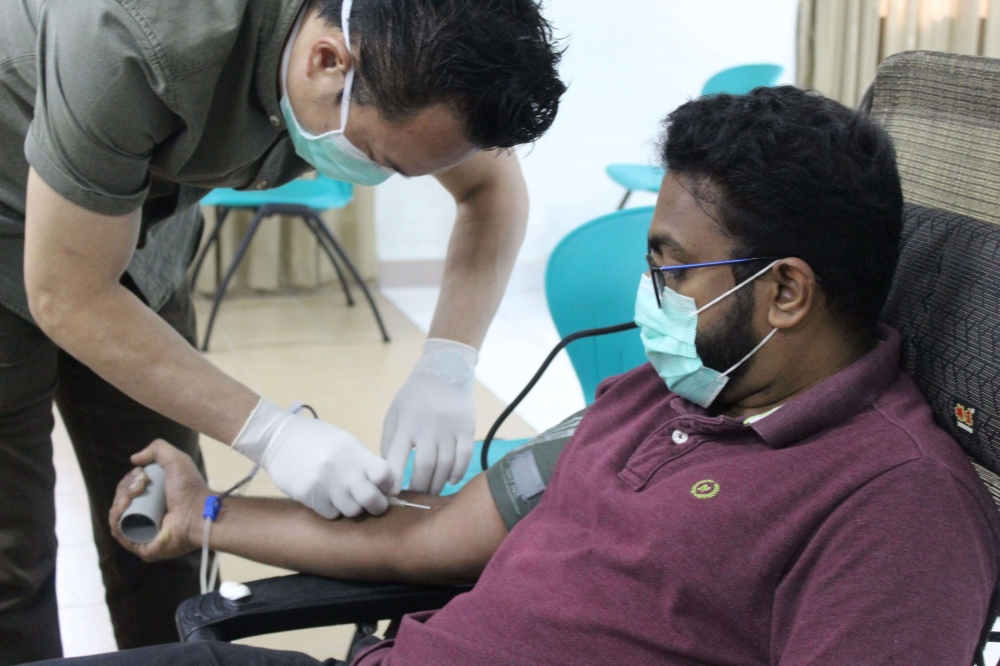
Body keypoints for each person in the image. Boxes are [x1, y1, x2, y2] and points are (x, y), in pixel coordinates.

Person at [27, 86, 1000, 666]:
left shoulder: (897, 509)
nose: (649, 295)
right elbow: (426, 542)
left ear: (785, 292)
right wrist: (206, 514)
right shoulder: (656, 399)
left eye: (671, 268)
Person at [0, 0, 566, 661]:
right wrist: (271, 432)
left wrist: (449, 360)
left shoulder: (414, 47)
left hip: (136, 228)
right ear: (327, 61)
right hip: (12, 205)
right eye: (379, 157)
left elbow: (491, 189)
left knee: (157, 520)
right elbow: (68, 294)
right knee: (13, 558)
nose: (380, 176)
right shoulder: (128, 34)